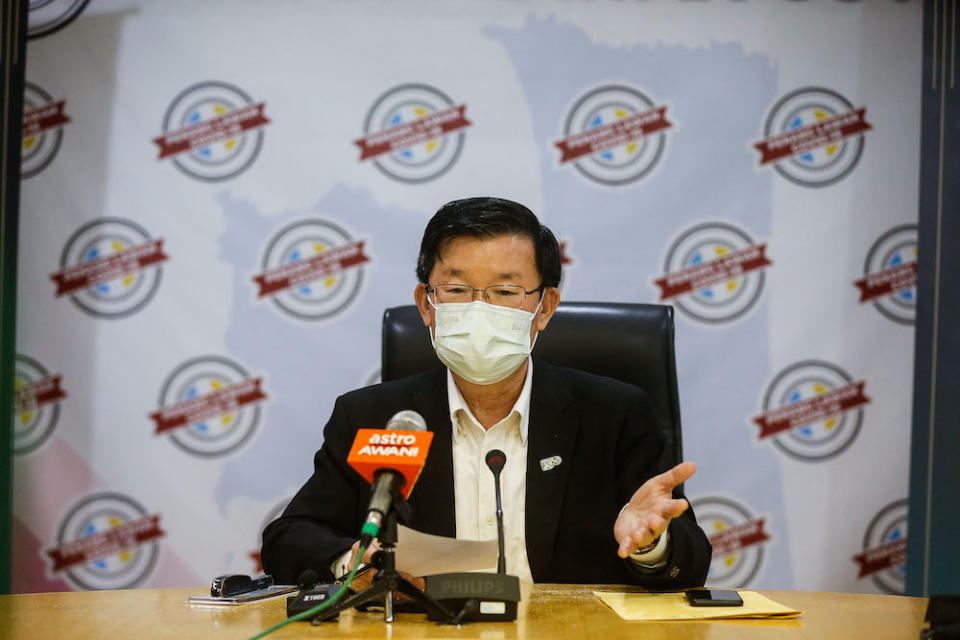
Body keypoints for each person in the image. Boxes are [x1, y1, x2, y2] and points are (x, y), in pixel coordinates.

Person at [261, 197, 712, 588]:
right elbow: (290, 538)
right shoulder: (374, 417)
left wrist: (650, 544)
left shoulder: (614, 415)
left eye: (504, 290)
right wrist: (359, 562)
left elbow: (690, 561)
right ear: (427, 304)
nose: (479, 309)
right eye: (456, 289)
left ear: (544, 307)